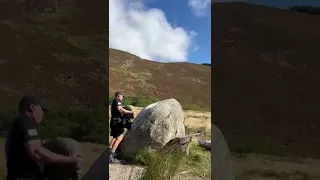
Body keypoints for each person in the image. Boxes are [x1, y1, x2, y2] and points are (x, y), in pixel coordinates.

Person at [5, 95, 78, 180]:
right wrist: (69, 160)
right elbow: (37, 153)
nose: (43, 114)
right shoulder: (27, 121)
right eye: (42, 110)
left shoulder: (17, 123)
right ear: (32, 108)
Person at [109, 92, 134, 164]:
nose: (122, 97)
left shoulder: (115, 101)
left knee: (115, 137)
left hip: (114, 121)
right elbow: (120, 109)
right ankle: (111, 156)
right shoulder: (117, 100)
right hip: (117, 121)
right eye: (122, 96)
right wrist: (130, 112)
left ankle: (110, 150)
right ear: (118, 96)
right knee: (119, 138)